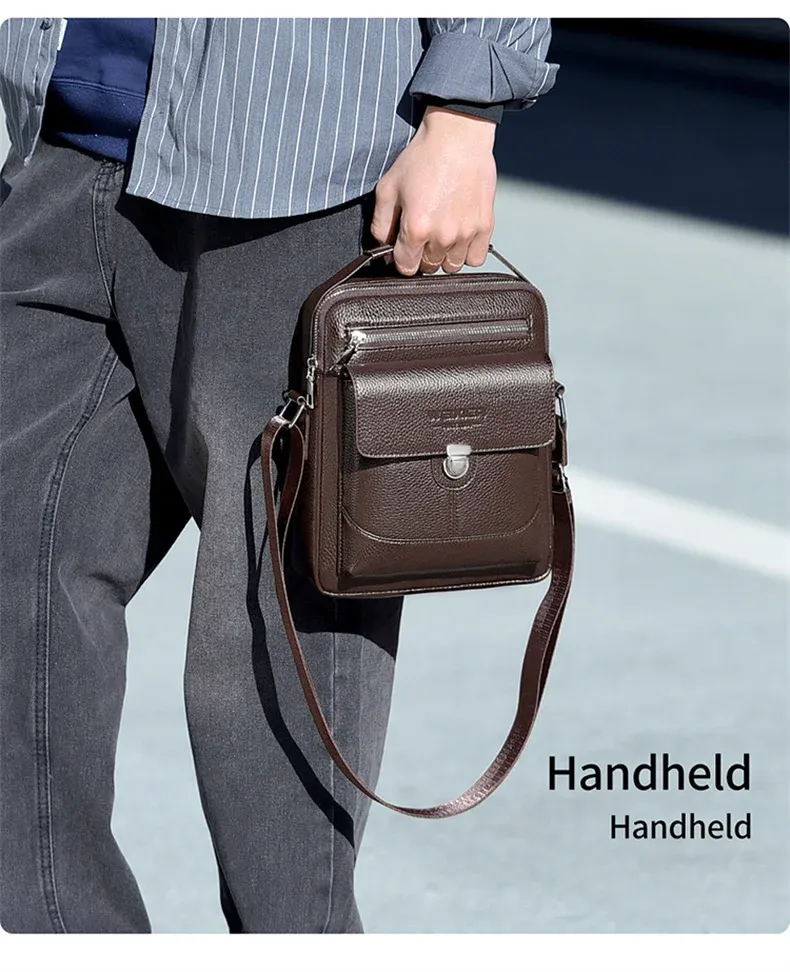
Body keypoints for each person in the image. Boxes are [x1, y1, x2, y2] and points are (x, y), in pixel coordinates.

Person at [0, 17, 558, 934]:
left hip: (294, 169)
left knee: (269, 661)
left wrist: (465, 112)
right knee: (19, 591)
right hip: (60, 150)